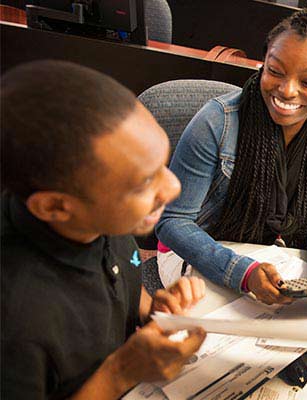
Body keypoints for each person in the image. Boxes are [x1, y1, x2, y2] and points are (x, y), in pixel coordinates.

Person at [1, 60, 207, 399]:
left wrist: (153, 310)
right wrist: (120, 373)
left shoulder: (104, 217)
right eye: (143, 182)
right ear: (55, 206)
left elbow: (124, 272)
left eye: (162, 166)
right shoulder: (15, 324)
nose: (172, 188)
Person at [156, 9, 307, 304]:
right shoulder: (217, 121)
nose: (287, 90)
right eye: (275, 72)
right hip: (191, 251)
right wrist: (241, 271)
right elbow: (173, 221)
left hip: (264, 249)